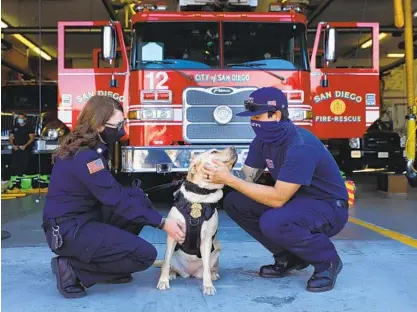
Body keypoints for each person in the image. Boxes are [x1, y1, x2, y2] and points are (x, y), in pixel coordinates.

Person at [202, 87, 349, 293]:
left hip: (328, 207)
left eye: (258, 116)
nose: (253, 122)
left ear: (276, 115)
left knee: (274, 221)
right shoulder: (263, 141)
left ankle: (327, 261)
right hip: (297, 202)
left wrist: (229, 180)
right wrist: (212, 175)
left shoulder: (300, 146)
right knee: (235, 202)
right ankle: (289, 257)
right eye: (251, 117)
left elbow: (278, 199)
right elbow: (247, 178)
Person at [42, 95, 186, 299]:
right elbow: (115, 199)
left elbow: (113, 193)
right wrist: (162, 223)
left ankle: (111, 267)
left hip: (83, 219)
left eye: (123, 123)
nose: (122, 130)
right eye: (118, 125)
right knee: (144, 256)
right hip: (68, 230)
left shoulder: (93, 149)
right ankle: (71, 268)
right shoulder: (87, 156)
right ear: (99, 125)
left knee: (137, 198)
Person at [9, 113, 35, 177]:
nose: (19, 119)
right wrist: (13, 145)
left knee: (24, 165)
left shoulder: (29, 127)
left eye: (21, 118)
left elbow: (32, 138)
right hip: (16, 149)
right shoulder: (15, 127)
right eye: (18, 118)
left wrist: (25, 145)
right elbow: (11, 137)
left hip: (25, 150)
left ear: (25, 119)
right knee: (15, 165)